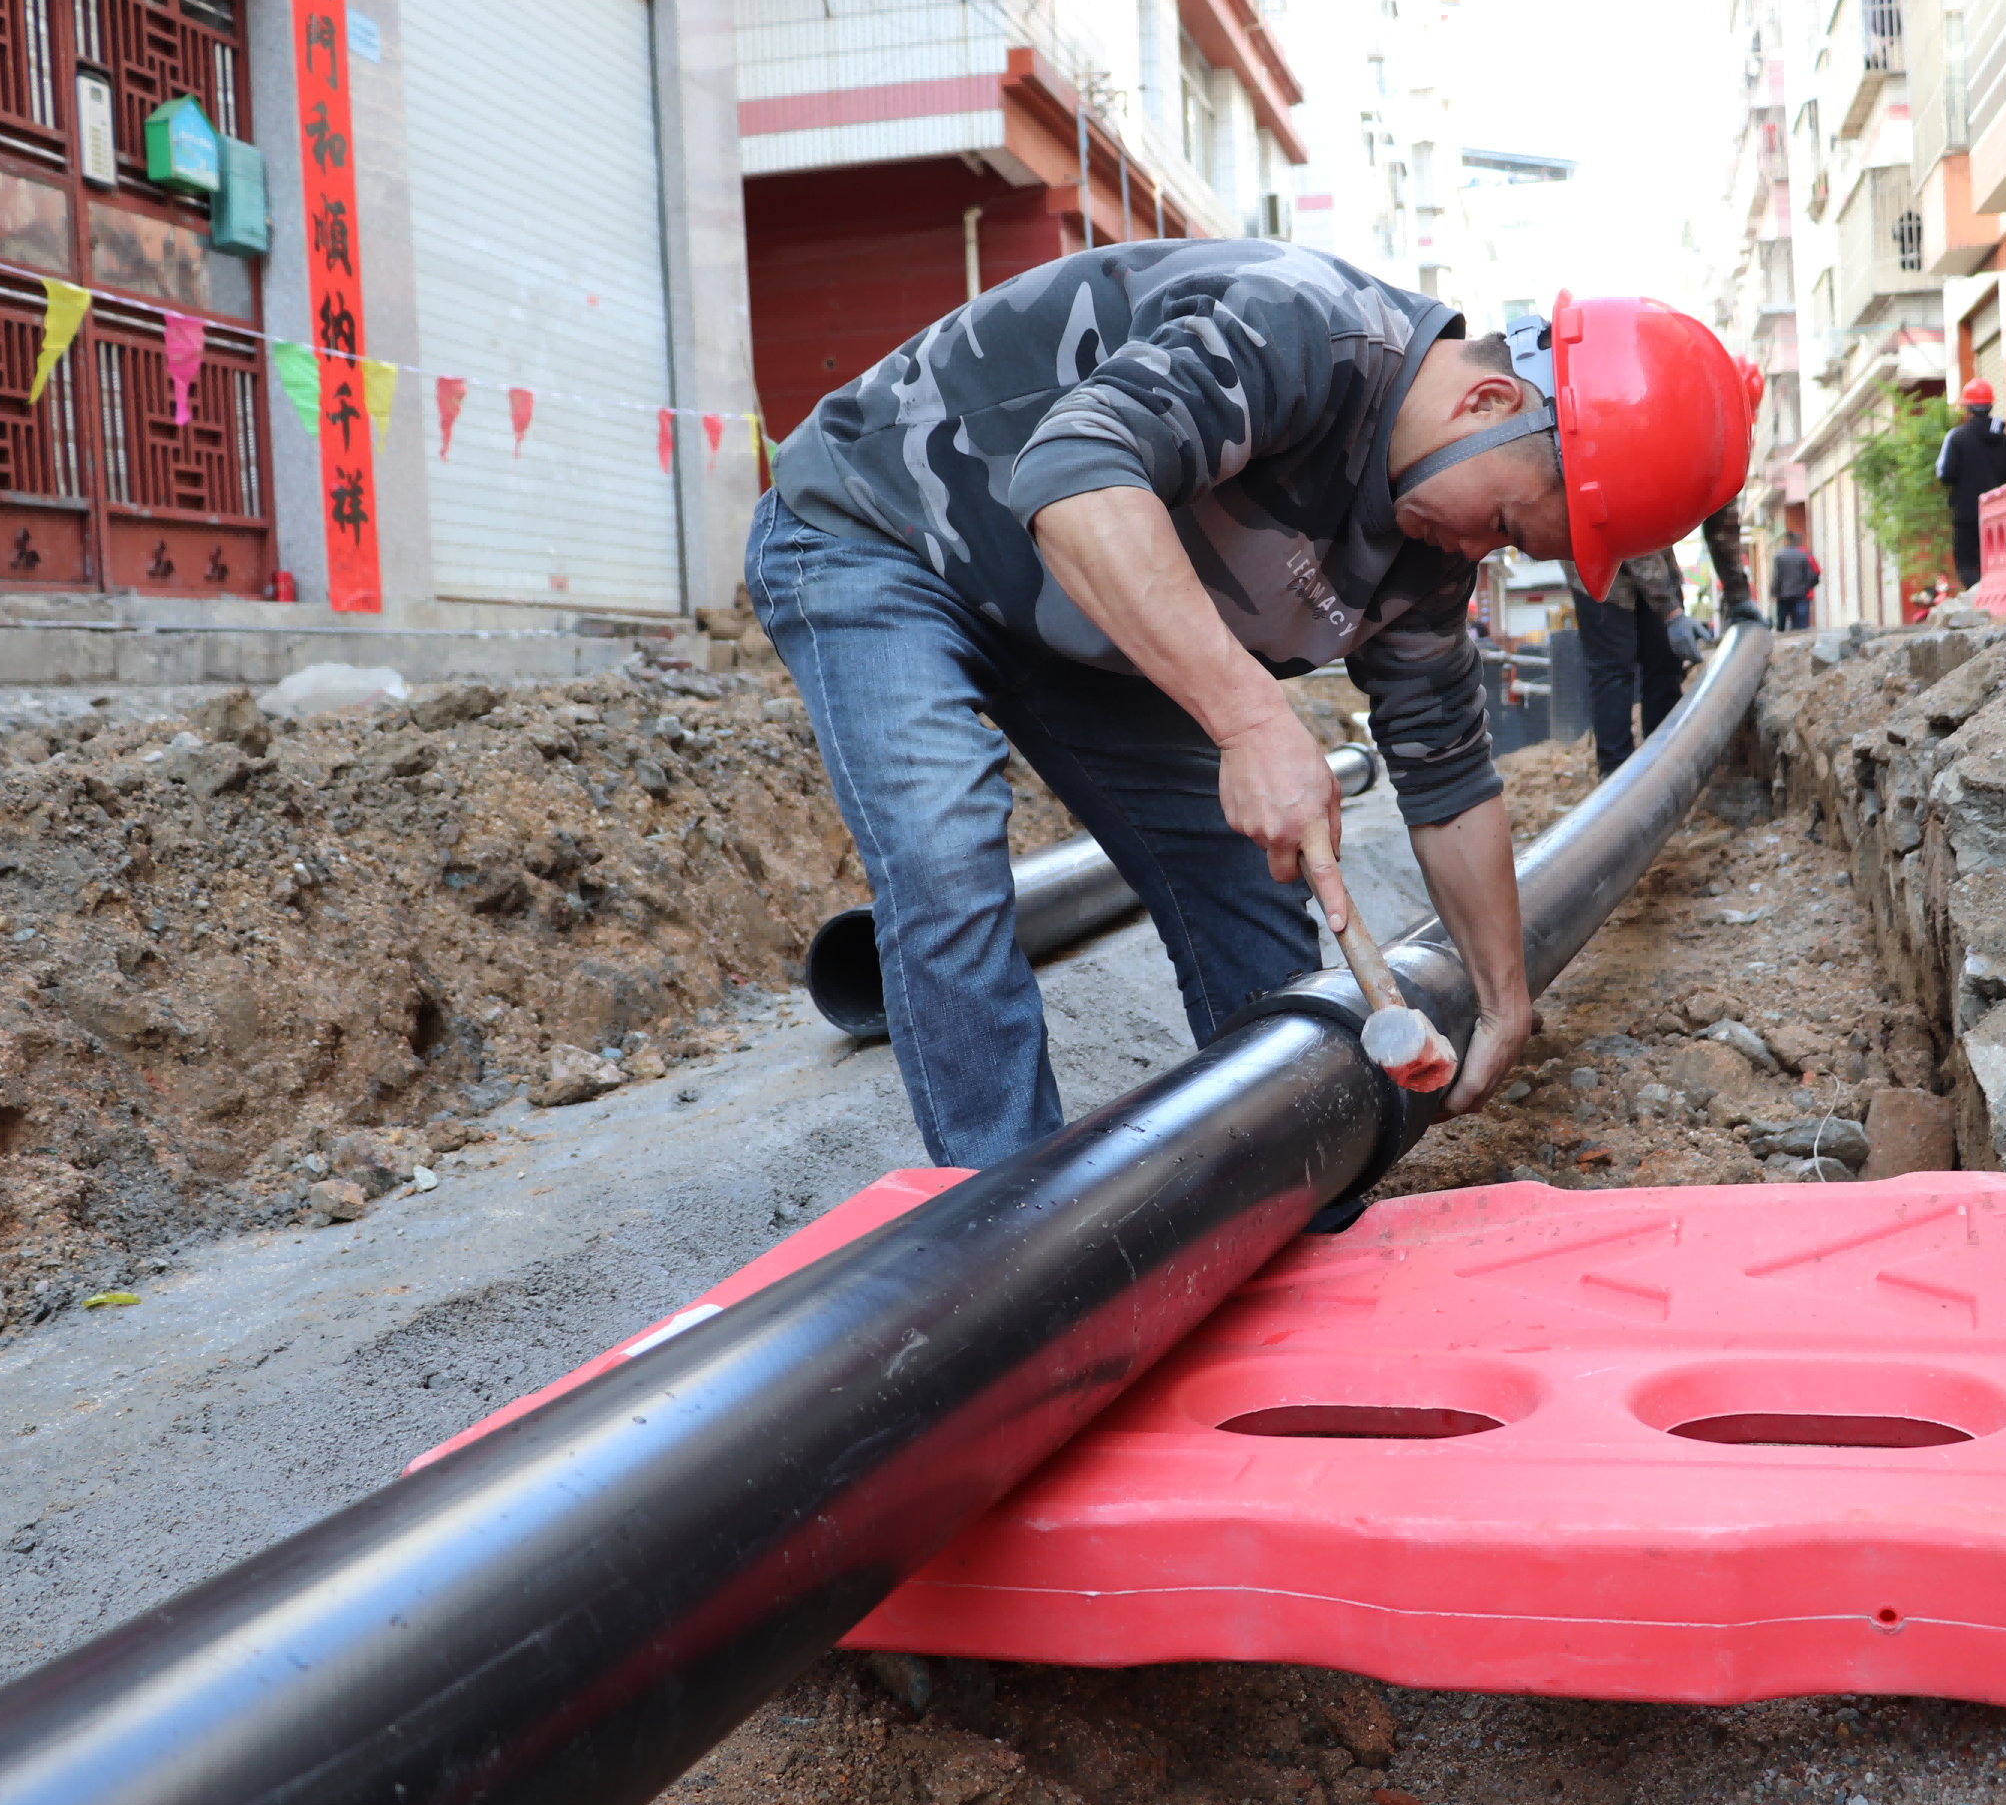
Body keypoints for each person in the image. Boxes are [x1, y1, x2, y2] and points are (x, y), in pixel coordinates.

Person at [748, 245, 1749, 1169]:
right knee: (945, 854)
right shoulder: (1302, 331)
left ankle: (1285, 1190)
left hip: (1070, 610)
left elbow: (1446, 772)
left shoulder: (1428, 555)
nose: (1481, 551)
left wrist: (1503, 997)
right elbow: (1075, 476)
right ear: (1488, 401)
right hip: (880, 530)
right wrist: (1253, 722)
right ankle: (1011, 1232)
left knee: (1240, 865)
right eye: (1503, 523)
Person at [1569, 500, 1759, 777]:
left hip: (1653, 551)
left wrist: (1738, 595)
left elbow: (1722, 522)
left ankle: (1663, 770)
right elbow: (1628, 526)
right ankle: (1616, 776)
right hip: (1595, 552)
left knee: (1665, 661)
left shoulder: (1719, 475)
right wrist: (1670, 611)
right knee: (1613, 672)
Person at [1937, 377, 2006, 587]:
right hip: (2000, 515)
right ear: (1991, 405)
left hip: (1966, 516)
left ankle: (1981, 597)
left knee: (1966, 565)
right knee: (2000, 564)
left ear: (1967, 407)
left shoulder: (1957, 438)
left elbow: (1945, 474)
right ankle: (1996, 598)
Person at [1770, 530, 1820, 630]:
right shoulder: (1803, 555)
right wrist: (1806, 588)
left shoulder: (1779, 556)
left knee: (1781, 625)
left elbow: (1777, 577)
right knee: (1802, 625)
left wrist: (1774, 593)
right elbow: (1811, 575)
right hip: (1801, 595)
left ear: (1786, 541)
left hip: (1783, 596)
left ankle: (1782, 639)